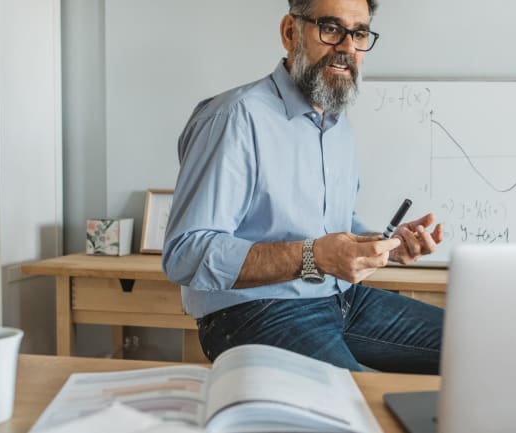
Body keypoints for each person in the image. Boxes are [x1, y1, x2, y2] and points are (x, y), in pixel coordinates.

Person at [162, 0, 444, 374]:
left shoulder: (338, 125)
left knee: (477, 345)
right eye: (331, 29)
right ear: (290, 32)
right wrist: (316, 256)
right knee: (356, 403)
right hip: (251, 310)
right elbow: (185, 253)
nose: (346, 47)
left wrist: (386, 245)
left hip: (340, 298)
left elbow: (330, 229)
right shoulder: (234, 118)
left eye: (359, 33)